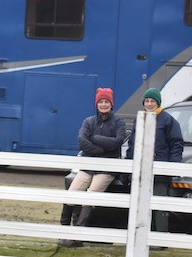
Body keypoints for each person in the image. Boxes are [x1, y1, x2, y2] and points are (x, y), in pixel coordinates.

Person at [58, 87, 127, 248]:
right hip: (88, 166)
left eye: (106, 102)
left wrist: (95, 138)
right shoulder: (88, 121)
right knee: (71, 194)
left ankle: (78, 236)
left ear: (111, 104)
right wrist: (101, 149)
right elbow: (81, 141)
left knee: (91, 195)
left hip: (107, 169)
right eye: (101, 101)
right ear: (97, 104)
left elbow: (118, 141)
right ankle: (63, 232)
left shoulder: (119, 122)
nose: (104, 104)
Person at [124, 87, 184, 247]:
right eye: (147, 101)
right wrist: (127, 166)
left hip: (160, 170)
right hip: (139, 170)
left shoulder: (168, 120)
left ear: (158, 102)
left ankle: (160, 239)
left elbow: (176, 144)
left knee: (159, 205)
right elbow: (132, 144)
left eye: (152, 101)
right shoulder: (139, 119)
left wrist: (172, 167)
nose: (149, 104)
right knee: (139, 205)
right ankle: (141, 239)